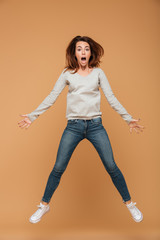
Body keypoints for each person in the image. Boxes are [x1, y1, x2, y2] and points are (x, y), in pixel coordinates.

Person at [18, 35, 145, 224]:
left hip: (95, 126)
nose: (83, 52)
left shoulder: (98, 73)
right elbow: (52, 96)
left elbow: (111, 97)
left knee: (111, 166)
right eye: (79, 49)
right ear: (74, 53)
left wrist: (127, 118)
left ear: (90, 52)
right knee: (58, 167)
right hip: (74, 126)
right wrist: (33, 116)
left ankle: (129, 204)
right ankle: (44, 205)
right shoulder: (67, 74)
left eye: (86, 48)